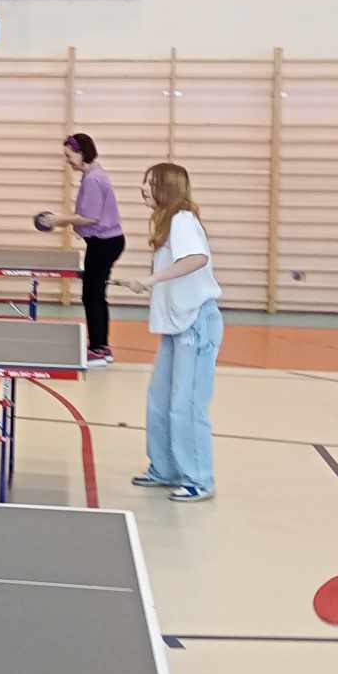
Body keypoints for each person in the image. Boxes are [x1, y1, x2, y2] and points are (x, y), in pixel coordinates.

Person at [114, 162, 222, 502]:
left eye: (150, 183)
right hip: (175, 326)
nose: (143, 188)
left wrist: (149, 280)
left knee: (185, 405)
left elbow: (197, 259)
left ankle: (199, 479)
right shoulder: (167, 222)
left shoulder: (182, 220)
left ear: (167, 187)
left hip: (195, 325)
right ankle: (165, 468)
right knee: (159, 401)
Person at [38, 132, 124, 367]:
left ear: (81, 153)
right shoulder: (94, 173)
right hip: (106, 242)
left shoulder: (93, 179)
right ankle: (101, 347)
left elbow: (90, 217)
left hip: (104, 244)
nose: (68, 161)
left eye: (69, 156)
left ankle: (97, 349)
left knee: (92, 296)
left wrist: (60, 219)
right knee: (96, 295)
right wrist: (74, 224)